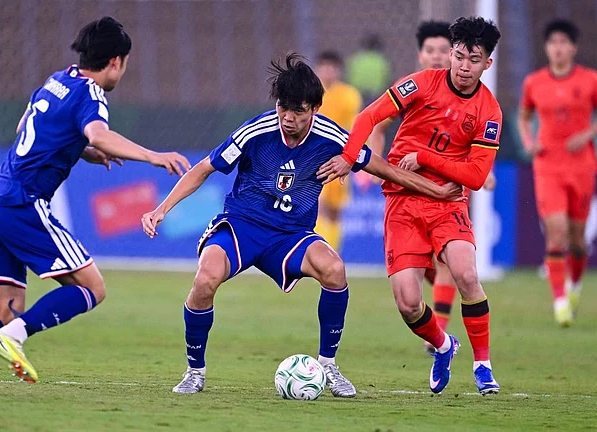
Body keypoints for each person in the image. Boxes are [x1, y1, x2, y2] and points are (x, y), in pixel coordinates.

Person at [141, 53, 462, 396]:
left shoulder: (333, 138)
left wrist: (438, 190)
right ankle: (195, 372)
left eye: (298, 110)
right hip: (243, 225)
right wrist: (162, 209)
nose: (288, 118)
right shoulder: (256, 132)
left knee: (335, 269)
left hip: (290, 235)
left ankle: (329, 366)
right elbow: (204, 167)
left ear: (314, 109)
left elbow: (385, 169)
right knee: (204, 279)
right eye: (283, 108)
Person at [0, 16, 191, 400]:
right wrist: (151, 155)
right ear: (116, 61)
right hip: (22, 203)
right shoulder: (92, 92)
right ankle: (14, 338)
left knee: (7, 310)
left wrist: (82, 150)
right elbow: (99, 132)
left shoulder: (56, 80)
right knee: (92, 287)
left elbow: (24, 129)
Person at [318, 16, 503, 395]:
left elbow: (475, 175)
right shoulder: (421, 83)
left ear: (488, 63)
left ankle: (483, 366)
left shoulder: (489, 112)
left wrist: (425, 158)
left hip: (448, 202)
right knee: (407, 303)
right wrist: (350, 158)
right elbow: (369, 116)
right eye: (459, 56)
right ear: (450, 54)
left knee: (467, 274)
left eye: (474, 59)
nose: (464, 66)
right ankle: (443, 345)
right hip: (402, 201)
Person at [363, 20, 498, 355]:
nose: (443, 58)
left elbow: (476, 159)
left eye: (443, 50)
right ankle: (440, 339)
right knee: (411, 293)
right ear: (421, 55)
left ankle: (446, 333)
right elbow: (377, 123)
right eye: (434, 51)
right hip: (405, 193)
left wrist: (478, 173)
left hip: (446, 194)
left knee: (456, 266)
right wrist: (372, 160)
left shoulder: (483, 104)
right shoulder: (415, 87)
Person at [518, 19, 597, 327]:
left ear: (573, 47)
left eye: (563, 42)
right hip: (547, 165)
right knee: (556, 232)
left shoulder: (590, 80)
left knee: (577, 238)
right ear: (546, 47)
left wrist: (586, 135)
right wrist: (528, 141)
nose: (558, 48)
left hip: (582, 166)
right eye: (552, 42)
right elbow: (523, 116)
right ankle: (559, 301)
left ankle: (575, 286)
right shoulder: (534, 82)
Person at [313, 51, 362, 252]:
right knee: (316, 205)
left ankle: (331, 251)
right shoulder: (311, 92)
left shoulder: (349, 95)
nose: (328, 72)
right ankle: (314, 250)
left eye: (332, 67)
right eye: (324, 67)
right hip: (311, 157)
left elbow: (354, 126)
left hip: (339, 157)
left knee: (334, 210)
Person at [346, 34, 392, 102]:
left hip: (357, 93)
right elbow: (386, 78)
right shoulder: (381, 60)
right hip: (375, 94)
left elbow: (349, 75)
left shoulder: (357, 58)